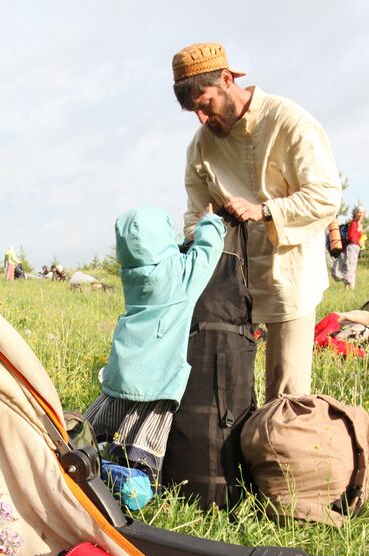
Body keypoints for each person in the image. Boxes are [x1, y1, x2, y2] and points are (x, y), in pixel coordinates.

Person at [174, 42, 342, 401]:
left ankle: (280, 457)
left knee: (287, 395)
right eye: (194, 111)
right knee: (225, 392)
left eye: (206, 105)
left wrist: (265, 210)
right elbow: (193, 215)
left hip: (288, 275)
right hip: (228, 287)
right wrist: (201, 233)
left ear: (226, 79)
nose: (202, 119)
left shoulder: (289, 121)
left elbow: (327, 195)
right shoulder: (201, 146)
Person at [85, 205, 226, 476]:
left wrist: (184, 244)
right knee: (140, 444)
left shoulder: (132, 274)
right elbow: (208, 253)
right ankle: (125, 482)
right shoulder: (179, 278)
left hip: (123, 371)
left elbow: (164, 255)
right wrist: (210, 222)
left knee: (103, 430)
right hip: (156, 381)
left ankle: (93, 458)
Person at [328, 206, 367, 289]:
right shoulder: (353, 223)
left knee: (351, 267)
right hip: (352, 247)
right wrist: (358, 235)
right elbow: (350, 237)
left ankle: (348, 288)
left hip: (355, 248)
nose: (360, 214)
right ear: (355, 213)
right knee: (349, 267)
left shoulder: (359, 224)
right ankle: (349, 287)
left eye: (362, 212)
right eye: (358, 212)